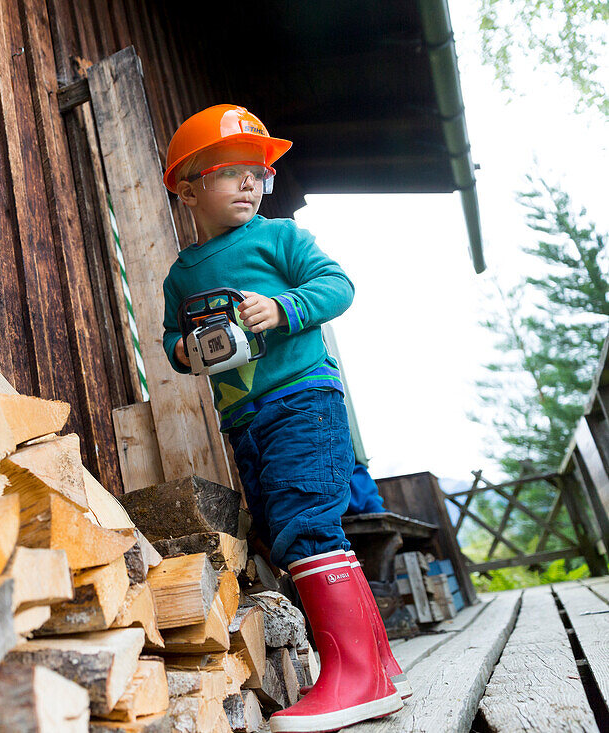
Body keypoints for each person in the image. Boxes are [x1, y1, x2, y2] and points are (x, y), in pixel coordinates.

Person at [160, 105, 406, 732]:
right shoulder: (182, 275)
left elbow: (337, 285)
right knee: (280, 523)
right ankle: (377, 661)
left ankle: (357, 678)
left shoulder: (278, 238)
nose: (250, 183)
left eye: (257, 174)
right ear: (189, 189)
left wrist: (284, 307)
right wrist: (186, 350)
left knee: (305, 521)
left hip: (303, 397)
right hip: (243, 416)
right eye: (232, 171)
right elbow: (172, 339)